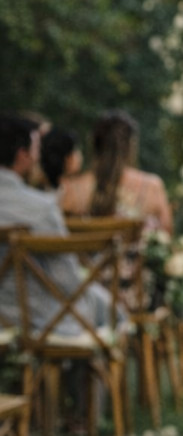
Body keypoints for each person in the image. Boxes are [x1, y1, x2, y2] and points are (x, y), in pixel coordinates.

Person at [0, 112, 110, 338]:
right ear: (22, 156)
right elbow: (68, 281)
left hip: (5, 324)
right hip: (38, 324)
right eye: (36, 150)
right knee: (106, 312)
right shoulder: (41, 207)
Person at [61, 109, 173, 233]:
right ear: (131, 146)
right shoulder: (153, 186)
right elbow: (166, 235)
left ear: (94, 144)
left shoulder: (70, 190)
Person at [39, 128, 84, 195]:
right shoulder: (67, 198)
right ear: (68, 159)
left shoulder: (39, 189)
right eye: (75, 150)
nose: (79, 155)